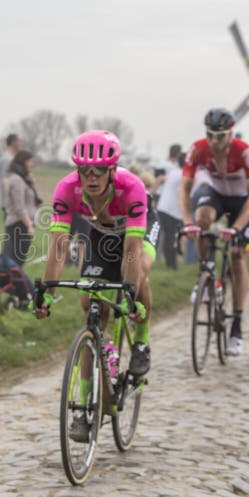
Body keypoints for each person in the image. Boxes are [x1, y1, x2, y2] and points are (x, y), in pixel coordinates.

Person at [34, 130, 157, 442]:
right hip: (101, 233)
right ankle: (84, 410)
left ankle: (141, 341)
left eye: (98, 171)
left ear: (111, 170)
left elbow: (131, 248)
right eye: (84, 170)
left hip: (134, 230)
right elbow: (59, 245)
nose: (90, 178)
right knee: (92, 305)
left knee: (139, 268)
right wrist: (47, 293)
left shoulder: (132, 188)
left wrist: (129, 290)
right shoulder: (67, 189)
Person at [179, 108, 249, 357]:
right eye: (210, 135)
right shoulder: (198, 149)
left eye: (221, 136)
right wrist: (187, 222)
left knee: (237, 257)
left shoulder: (244, 152)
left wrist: (236, 228)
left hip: (242, 202)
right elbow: (184, 188)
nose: (214, 142)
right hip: (216, 194)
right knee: (202, 218)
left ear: (231, 134)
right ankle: (205, 274)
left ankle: (236, 324)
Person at [3, 150, 40, 267]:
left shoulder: (25, 179)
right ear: (22, 162)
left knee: (18, 262)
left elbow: (37, 200)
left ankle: (14, 284)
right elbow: (19, 207)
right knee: (15, 262)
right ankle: (11, 284)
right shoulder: (16, 180)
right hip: (18, 225)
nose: (31, 164)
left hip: (23, 224)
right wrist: (29, 225)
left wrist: (33, 183)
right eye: (29, 161)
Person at [156, 148, 186, 269]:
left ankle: (169, 264)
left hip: (163, 208)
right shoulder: (184, 175)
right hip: (172, 212)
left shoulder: (174, 172)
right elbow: (182, 195)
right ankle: (172, 265)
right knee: (171, 239)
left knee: (168, 238)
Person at [0, 134, 21, 219]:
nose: (20, 144)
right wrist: (10, 199)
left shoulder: (11, 158)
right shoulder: (7, 159)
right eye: (19, 141)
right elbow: (5, 179)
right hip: (9, 202)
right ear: (13, 142)